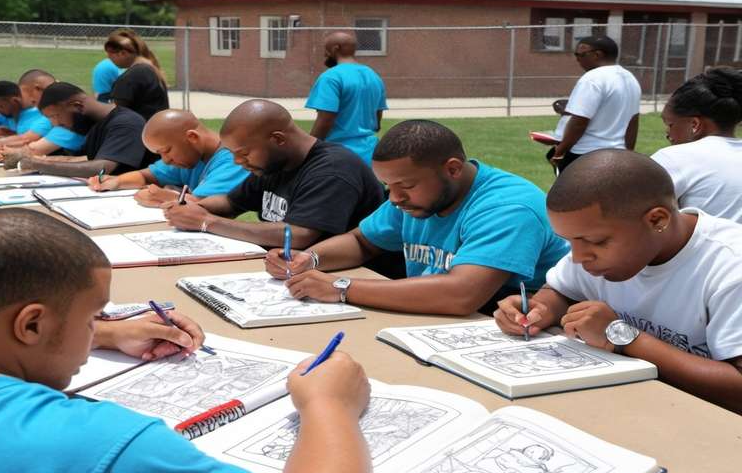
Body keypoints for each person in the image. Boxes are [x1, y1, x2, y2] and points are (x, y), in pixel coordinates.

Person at [0, 208, 373, 473]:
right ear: (32, 325)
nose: (98, 327)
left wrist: (104, 335)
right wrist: (328, 405)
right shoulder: (93, 446)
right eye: (94, 317)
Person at [494, 149, 742, 415]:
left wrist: (622, 337)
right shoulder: (605, 248)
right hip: (632, 405)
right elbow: (560, 290)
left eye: (596, 242)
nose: (578, 257)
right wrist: (538, 309)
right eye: (571, 241)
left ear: (657, 220)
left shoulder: (729, 267)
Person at [265, 120, 569, 316]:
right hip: (436, 318)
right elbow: (362, 241)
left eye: (406, 186)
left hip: (511, 325)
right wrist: (310, 259)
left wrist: (340, 288)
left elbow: (463, 295)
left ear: (452, 169)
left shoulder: (507, 207)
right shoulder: (416, 199)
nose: (395, 198)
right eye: (389, 186)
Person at [162, 99, 385, 250]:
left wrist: (206, 222)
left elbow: (299, 235)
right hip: (289, 268)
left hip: (344, 274)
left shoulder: (333, 170)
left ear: (278, 139)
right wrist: (194, 207)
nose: (238, 162)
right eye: (233, 154)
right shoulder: (273, 164)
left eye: (244, 153)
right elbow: (230, 202)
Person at [87, 109, 249, 208]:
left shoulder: (232, 161)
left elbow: (200, 204)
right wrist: (117, 181)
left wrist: (163, 196)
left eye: (167, 151)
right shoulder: (188, 157)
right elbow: (146, 175)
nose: (165, 160)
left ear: (192, 137)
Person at [651, 67, 742, 223]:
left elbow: (629, 215)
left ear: (694, 125)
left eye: (670, 124)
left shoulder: (674, 158)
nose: (667, 134)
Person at [19, 82, 154, 178]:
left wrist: (39, 164)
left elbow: (101, 168)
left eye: (55, 116)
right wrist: (49, 160)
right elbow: (91, 159)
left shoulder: (126, 123)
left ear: (77, 105)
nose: (56, 124)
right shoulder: (96, 124)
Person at [549, 36, 641, 174]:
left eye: (580, 55)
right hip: (617, 155)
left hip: (585, 155)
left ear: (597, 55)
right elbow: (633, 120)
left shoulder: (592, 78)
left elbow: (579, 122)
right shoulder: (629, 77)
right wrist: (629, 154)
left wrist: (559, 152)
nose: (577, 59)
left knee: (572, 194)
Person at [305, 31, 387, 165]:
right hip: (371, 155)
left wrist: (308, 150)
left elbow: (325, 120)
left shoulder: (331, 77)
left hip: (339, 156)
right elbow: (377, 122)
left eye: (326, 49)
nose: (325, 54)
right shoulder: (374, 76)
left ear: (335, 49)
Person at [0, 70, 86, 164]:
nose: (33, 104)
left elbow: (32, 148)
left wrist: (2, 150)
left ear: (38, 89)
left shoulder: (71, 119)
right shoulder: (68, 112)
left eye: (34, 101)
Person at [104, 28, 169, 120]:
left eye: (110, 55)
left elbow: (115, 114)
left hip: (139, 132)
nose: (109, 59)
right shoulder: (149, 69)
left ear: (123, 53)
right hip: (153, 129)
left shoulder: (133, 76)